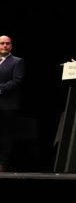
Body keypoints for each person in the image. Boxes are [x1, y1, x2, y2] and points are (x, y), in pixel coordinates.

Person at [0, 35, 25, 172]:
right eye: (2, 43)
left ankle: (2, 164)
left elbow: (17, 80)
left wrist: (0, 89)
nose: (5, 46)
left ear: (11, 46)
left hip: (7, 106)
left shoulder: (17, 61)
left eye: (7, 43)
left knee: (5, 136)